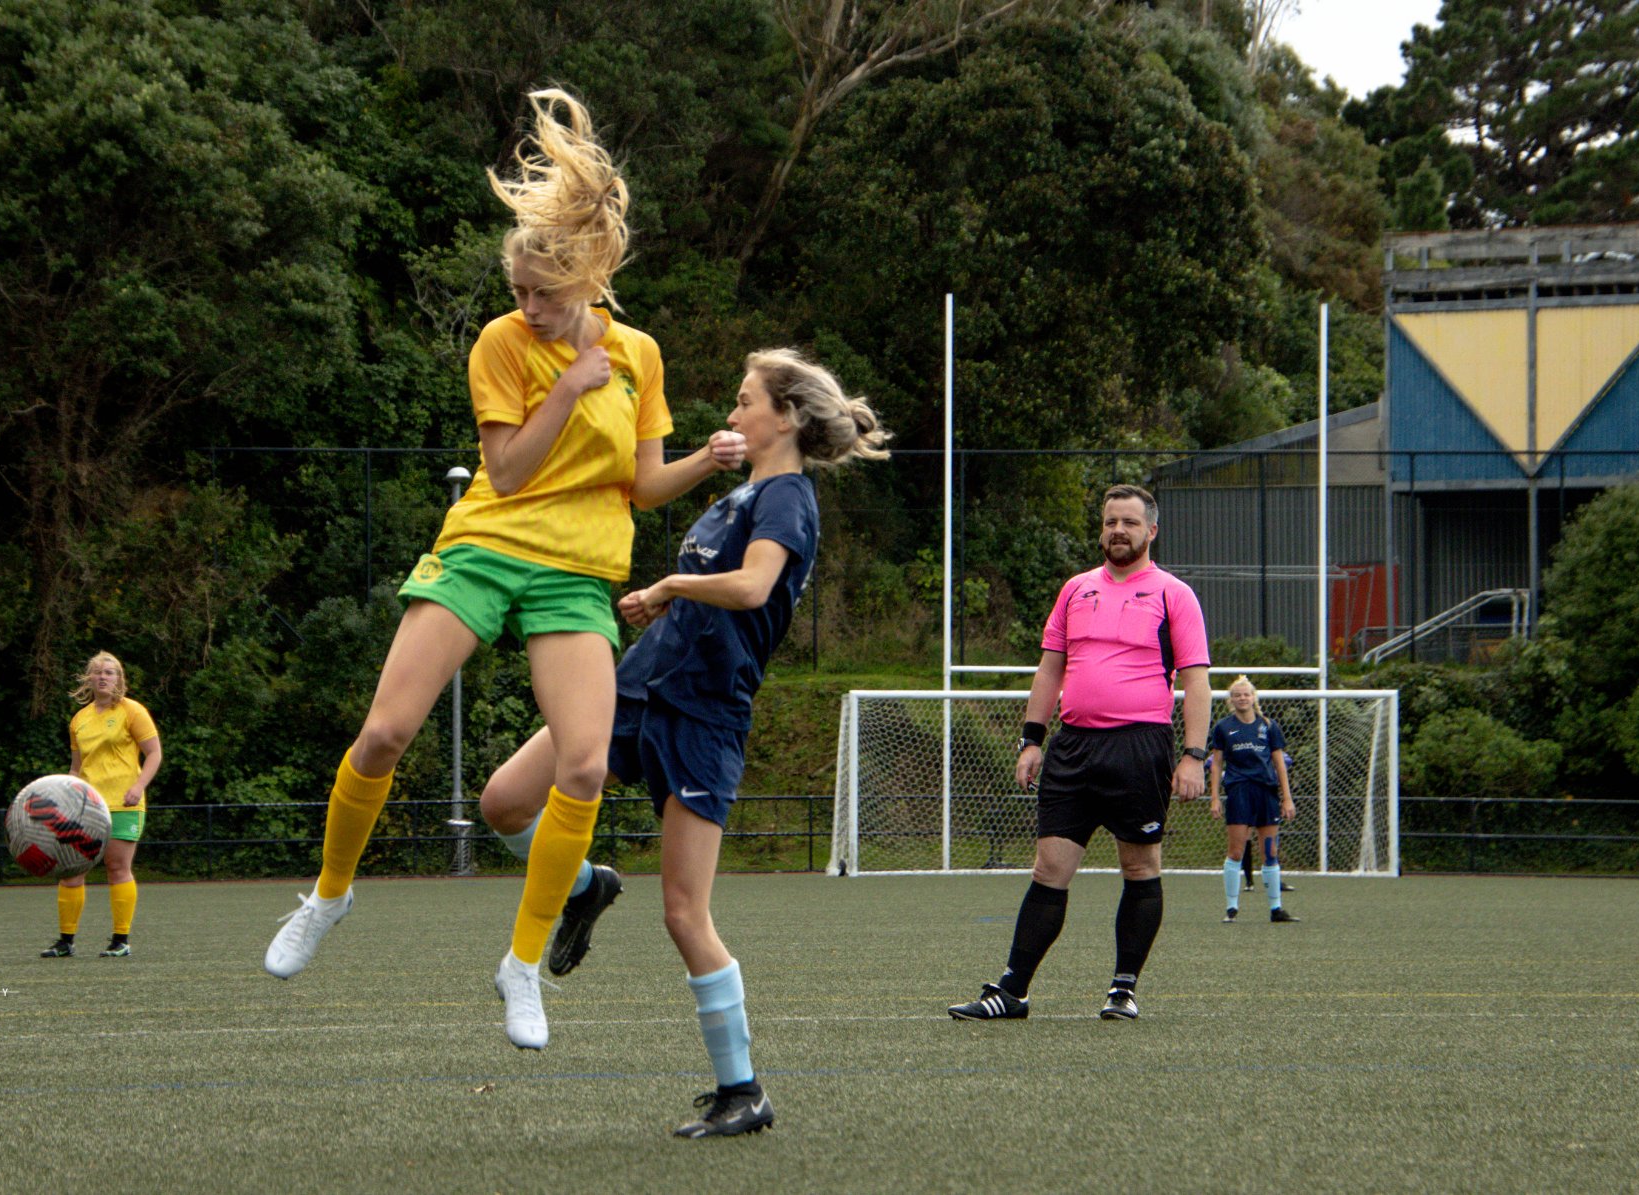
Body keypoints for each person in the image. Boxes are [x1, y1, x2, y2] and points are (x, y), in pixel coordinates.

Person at [261, 88, 747, 1022]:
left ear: (588, 280)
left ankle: (523, 964)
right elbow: (511, 470)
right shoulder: (503, 343)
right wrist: (567, 384)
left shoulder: (640, 353)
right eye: (518, 289)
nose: (525, 305)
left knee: (584, 768)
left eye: (543, 293)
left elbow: (640, 484)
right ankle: (328, 894)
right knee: (384, 733)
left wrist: (706, 461)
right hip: (486, 544)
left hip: (577, 573)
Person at [479, 348, 888, 1135]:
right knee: (503, 801)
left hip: (704, 716)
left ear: (787, 417)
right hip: (639, 685)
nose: (732, 415)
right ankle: (582, 886)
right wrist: (669, 612)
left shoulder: (787, 501)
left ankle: (743, 1090)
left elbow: (753, 587)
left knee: (682, 913)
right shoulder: (739, 496)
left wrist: (669, 588)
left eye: (744, 402)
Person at [949, 484, 1211, 1022]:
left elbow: (1196, 679)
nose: (1119, 530)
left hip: (1140, 748)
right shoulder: (1074, 590)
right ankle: (1012, 991)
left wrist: (1193, 754)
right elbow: (1050, 668)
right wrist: (1031, 739)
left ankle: (1122, 989)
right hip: (1073, 745)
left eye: (1130, 522)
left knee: (1140, 866)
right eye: (1111, 521)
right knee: (1049, 867)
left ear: (1151, 531)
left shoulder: (1173, 594)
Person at [43, 651, 161, 959]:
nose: (104, 677)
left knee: (117, 867)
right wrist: (67, 794)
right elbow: (76, 767)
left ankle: (120, 940)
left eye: (110, 672)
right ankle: (65, 942)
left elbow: (154, 754)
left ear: (119, 678)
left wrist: (138, 786)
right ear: (89, 679)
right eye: (98, 672)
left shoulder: (132, 711)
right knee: (71, 871)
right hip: (87, 807)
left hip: (124, 803)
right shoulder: (79, 719)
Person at [1209, 675, 1299, 922]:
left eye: (1246, 694)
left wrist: (1287, 798)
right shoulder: (1223, 727)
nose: (1242, 698)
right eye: (1237, 695)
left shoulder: (1269, 726)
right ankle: (1231, 908)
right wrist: (1215, 797)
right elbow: (1216, 764)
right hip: (1239, 792)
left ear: (1253, 697)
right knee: (1236, 851)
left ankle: (1276, 909)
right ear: (1232, 699)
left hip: (1266, 793)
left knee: (1270, 852)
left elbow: (1279, 763)